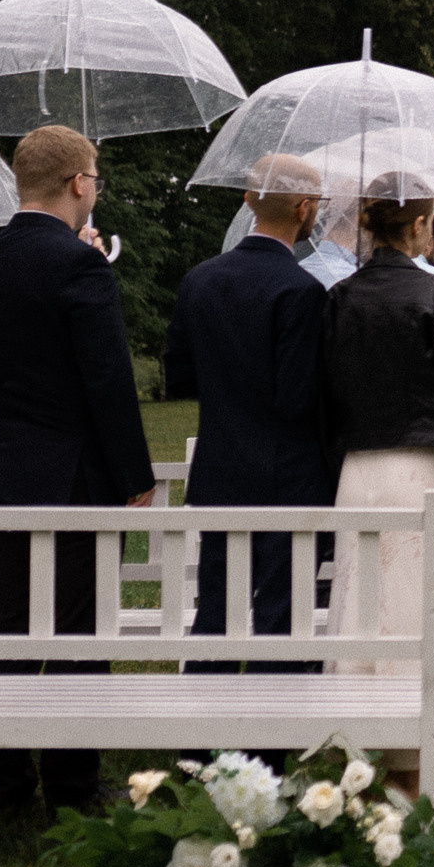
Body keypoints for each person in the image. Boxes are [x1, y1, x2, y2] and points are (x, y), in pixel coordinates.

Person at [0, 125, 156, 817]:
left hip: (10, 463)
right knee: (79, 632)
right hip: (74, 471)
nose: (95, 187)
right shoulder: (79, 267)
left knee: (11, 626)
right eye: (94, 176)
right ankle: (72, 788)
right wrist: (135, 472)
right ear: (78, 183)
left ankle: (8, 788)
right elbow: (105, 378)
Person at [319, 179, 434, 796]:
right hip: (421, 471)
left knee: (363, 608)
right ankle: (414, 766)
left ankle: (360, 756)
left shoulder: (340, 297)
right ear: (422, 226)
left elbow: (329, 402)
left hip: (359, 473)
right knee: (419, 611)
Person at [162, 154, 334, 727]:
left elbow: (180, 375)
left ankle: (199, 736)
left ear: (246, 199)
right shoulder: (302, 291)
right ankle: (270, 736)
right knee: (282, 613)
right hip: (289, 475)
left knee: (217, 606)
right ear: (305, 209)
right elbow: (295, 396)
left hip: (220, 468)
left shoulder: (200, 279)